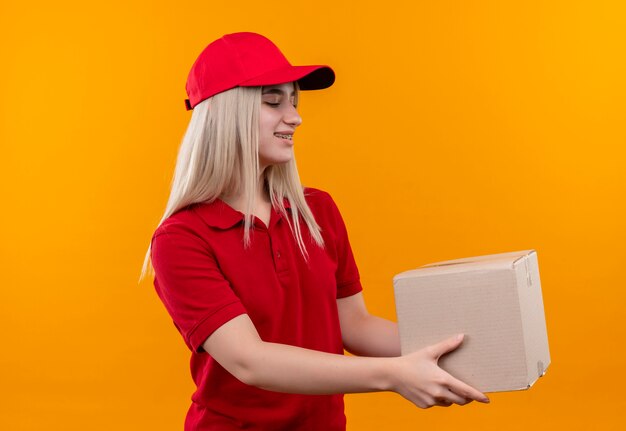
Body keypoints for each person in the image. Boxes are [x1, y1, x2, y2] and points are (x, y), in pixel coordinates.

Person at [145, 32, 489, 430]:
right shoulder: (180, 239)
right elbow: (248, 360)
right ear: (225, 114)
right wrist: (396, 374)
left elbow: (354, 325)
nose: (295, 116)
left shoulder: (315, 211)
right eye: (273, 101)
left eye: (294, 101)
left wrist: (458, 349)